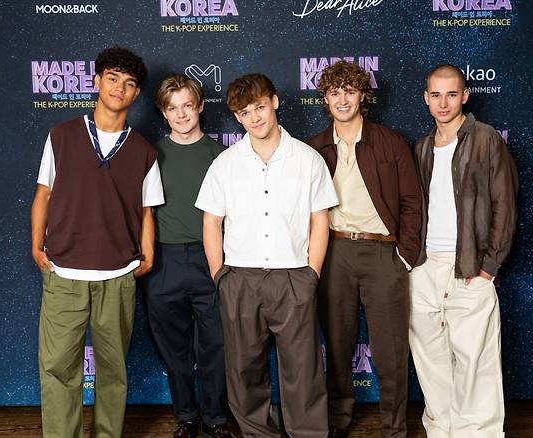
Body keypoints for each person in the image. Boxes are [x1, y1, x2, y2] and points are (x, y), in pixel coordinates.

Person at [31, 47, 164, 438]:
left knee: (113, 371)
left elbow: (146, 212)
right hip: (64, 272)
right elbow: (44, 194)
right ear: (96, 81)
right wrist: (37, 246)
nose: (119, 88)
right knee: (58, 368)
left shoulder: (143, 151)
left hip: (118, 275)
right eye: (112, 79)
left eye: (129, 84)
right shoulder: (61, 136)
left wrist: (148, 253)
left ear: (136, 94)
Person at [195, 73, 338, 438]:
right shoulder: (225, 164)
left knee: (303, 369)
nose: (255, 118)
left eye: (259, 107)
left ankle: (308, 433)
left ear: (274, 102)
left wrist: (312, 274)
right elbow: (211, 223)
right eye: (245, 112)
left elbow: (319, 220)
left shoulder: (308, 159)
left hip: (293, 277)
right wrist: (220, 276)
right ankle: (258, 434)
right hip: (239, 278)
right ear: (237, 118)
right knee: (243, 370)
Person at [306, 60, 422, 438]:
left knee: (389, 350)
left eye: (350, 91)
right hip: (335, 252)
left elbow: (412, 202)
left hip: (383, 255)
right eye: (334, 92)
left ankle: (394, 426)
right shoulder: (315, 149)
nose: (342, 99)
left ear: (363, 96)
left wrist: (403, 255)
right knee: (337, 345)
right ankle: (339, 419)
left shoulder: (391, 142)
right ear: (325, 98)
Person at [410, 63, 518, 438]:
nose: (443, 103)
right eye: (436, 95)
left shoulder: (486, 139)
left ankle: (479, 434)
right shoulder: (422, 147)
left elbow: (505, 204)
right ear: (426, 99)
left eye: (451, 94)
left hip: (470, 267)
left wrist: (489, 267)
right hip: (425, 269)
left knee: (476, 362)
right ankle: (441, 431)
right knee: (431, 360)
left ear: (465, 96)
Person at [141, 74, 233, 438]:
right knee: (174, 349)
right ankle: (186, 417)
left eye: (187, 106)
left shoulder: (221, 157)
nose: (181, 114)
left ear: (199, 107)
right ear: (164, 113)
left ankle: (215, 419)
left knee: (216, 344)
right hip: (163, 262)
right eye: (172, 108)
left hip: (210, 258)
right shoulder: (151, 155)